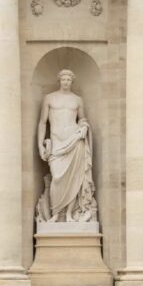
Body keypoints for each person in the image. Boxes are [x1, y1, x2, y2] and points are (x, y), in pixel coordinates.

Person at [35, 69, 98, 223]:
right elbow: (42, 122)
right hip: (57, 142)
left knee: (74, 179)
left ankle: (69, 215)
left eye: (69, 79)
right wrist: (40, 145)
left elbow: (82, 119)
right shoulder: (49, 98)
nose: (66, 82)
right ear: (59, 80)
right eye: (63, 79)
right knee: (57, 178)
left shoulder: (77, 100)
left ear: (72, 81)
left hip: (74, 140)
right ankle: (56, 213)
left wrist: (83, 127)